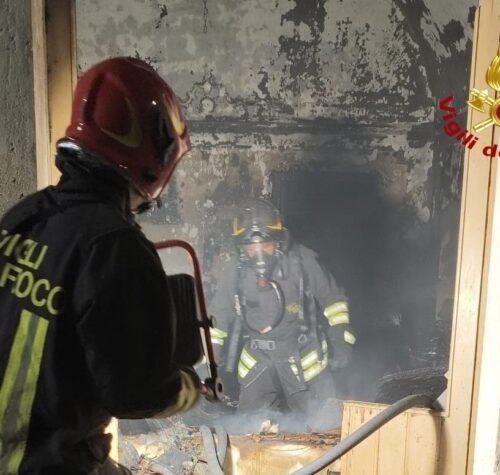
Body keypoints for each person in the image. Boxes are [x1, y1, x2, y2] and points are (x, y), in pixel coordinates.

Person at [0, 57, 203, 474]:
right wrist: (190, 388)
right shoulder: (114, 246)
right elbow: (135, 394)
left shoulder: (27, 216)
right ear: (156, 148)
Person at [209, 198, 356, 429]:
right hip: (258, 363)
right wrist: (210, 358)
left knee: (325, 428)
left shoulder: (302, 261)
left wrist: (340, 334)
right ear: (242, 249)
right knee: (246, 430)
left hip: (303, 361)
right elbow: (218, 315)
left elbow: (333, 298)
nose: (258, 254)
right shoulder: (236, 274)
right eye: (251, 248)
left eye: (265, 245)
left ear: (277, 241)